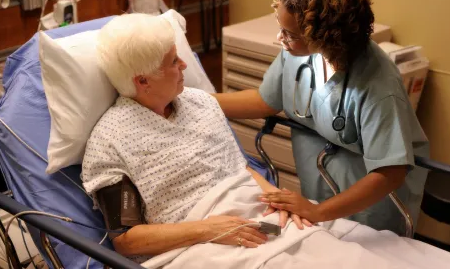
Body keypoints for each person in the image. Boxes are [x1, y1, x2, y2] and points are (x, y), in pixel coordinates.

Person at [213, 0, 429, 235]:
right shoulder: (298, 54)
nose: (280, 38)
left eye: (290, 34)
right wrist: (197, 100)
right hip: (319, 193)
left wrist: (317, 211)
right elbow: (265, 100)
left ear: (326, 38)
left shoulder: (378, 87)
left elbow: (390, 173)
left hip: (370, 206)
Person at [81, 13, 311, 259]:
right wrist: (208, 230)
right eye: (172, 61)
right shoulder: (111, 140)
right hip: (198, 243)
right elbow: (127, 240)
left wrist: (279, 201)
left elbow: (240, 168)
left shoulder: (200, 102)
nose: (184, 64)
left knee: (325, 242)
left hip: (257, 218)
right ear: (144, 80)